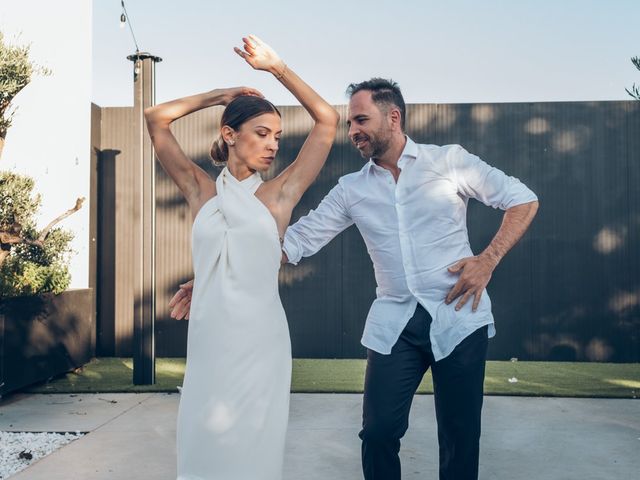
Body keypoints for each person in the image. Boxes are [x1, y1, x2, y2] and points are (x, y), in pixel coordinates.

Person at [170, 78, 539, 480]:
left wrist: (487, 261)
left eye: (361, 120)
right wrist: (215, 274)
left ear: (393, 117)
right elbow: (292, 242)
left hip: (458, 316)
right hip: (394, 325)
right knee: (378, 433)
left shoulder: (448, 161)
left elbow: (522, 199)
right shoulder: (351, 189)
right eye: (349, 123)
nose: (352, 132)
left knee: (460, 436)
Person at [145, 35, 339, 480]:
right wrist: (223, 96)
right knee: (202, 444)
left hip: (261, 343)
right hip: (211, 342)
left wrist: (277, 69)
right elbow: (157, 118)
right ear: (229, 135)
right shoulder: (201, 191)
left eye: (277, 136)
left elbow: (327, 121)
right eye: (261, 133)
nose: (272, 145)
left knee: (254, 453)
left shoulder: (279, 195)